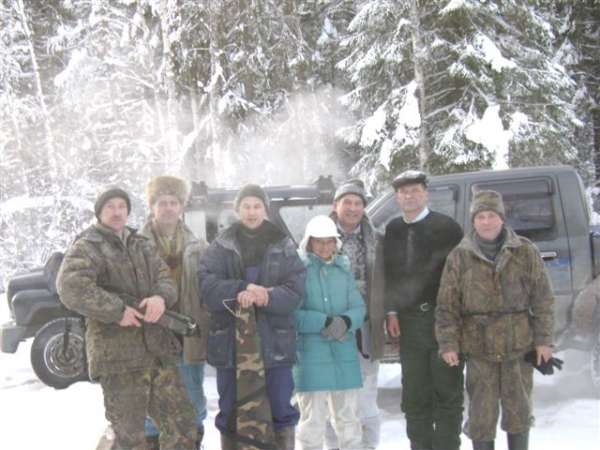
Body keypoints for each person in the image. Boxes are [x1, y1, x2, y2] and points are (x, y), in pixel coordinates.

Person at [57, 187, 196, 450]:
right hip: (118, 358)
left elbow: (165, 278)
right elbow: (70, 286)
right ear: (100, 213)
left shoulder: (140, 243)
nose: (117, 212)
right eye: (110, 207)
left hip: (156, 350)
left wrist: (160, 298)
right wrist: (117, 311)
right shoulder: (87, 246)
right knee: (129, 437)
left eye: (122, 206)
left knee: (182, 425)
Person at [435, 190, 555, 450]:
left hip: (518, 348)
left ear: (502, 218)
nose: (486, 222)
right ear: (473, 221)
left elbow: (543, 299)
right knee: (481, 417)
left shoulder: (524, 251)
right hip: (479, 350)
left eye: (491, 215)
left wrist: (544, 341)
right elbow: (447, 306)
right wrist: (448, 344)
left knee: (519, 414)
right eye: (480, 216)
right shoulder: (459, 256)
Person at [199, 184, 305, 450]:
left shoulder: (283, 244)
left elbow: (296, 292)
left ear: (265, 210)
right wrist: (240, 289)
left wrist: (266, 296)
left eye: (257, 206)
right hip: (230, 345)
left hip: (275, 343)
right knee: (229, 409)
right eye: (246, 206)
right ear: (237, 210)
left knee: (281, 407)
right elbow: (207, 289)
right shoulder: (220, 246)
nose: (251, 212)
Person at [383, 170, 464, 450]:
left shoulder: (447, 228)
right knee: (414, 394)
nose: (409, 196)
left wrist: (453, 321)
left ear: (426, 194)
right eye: (403, 192)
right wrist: (391, 311)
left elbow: (461, 278)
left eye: (415, 190)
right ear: (397, 197)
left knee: (447, 392)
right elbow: (390, 274)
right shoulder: (393, 229)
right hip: (409, 324)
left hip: (442, 321)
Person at [141, 176, 209, 450]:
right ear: (152, 207)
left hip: (188, 336)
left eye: (173, 202)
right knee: (151, 401)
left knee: (193, 397)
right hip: (150, 337)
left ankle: (195, 443)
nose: (168, 208)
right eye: (162, 203)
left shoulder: (198, 246)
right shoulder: (136, 246)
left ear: (181, 206)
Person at [295, 215, 366, 450]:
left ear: (336, 242)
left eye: (329, 241)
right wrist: (323, 321)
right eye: (319, 242)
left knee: (349, 421)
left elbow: (359, 307)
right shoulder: (298, 272)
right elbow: (291, 314)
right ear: (309, 242)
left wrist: (346, 321)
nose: (325, 247)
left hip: (343, 353)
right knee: (312, 423)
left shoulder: (343, 270)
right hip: (311, 355)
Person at [325, 180, 385, 450]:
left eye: (357, 203)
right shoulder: (317, 238)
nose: (352, 208)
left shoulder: (378, 240)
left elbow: (387, 282)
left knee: (366, 402)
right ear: (335, 205)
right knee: (331, 401)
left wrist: (389, 313)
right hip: (329, 332)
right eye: (346, 202)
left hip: (366, 331)